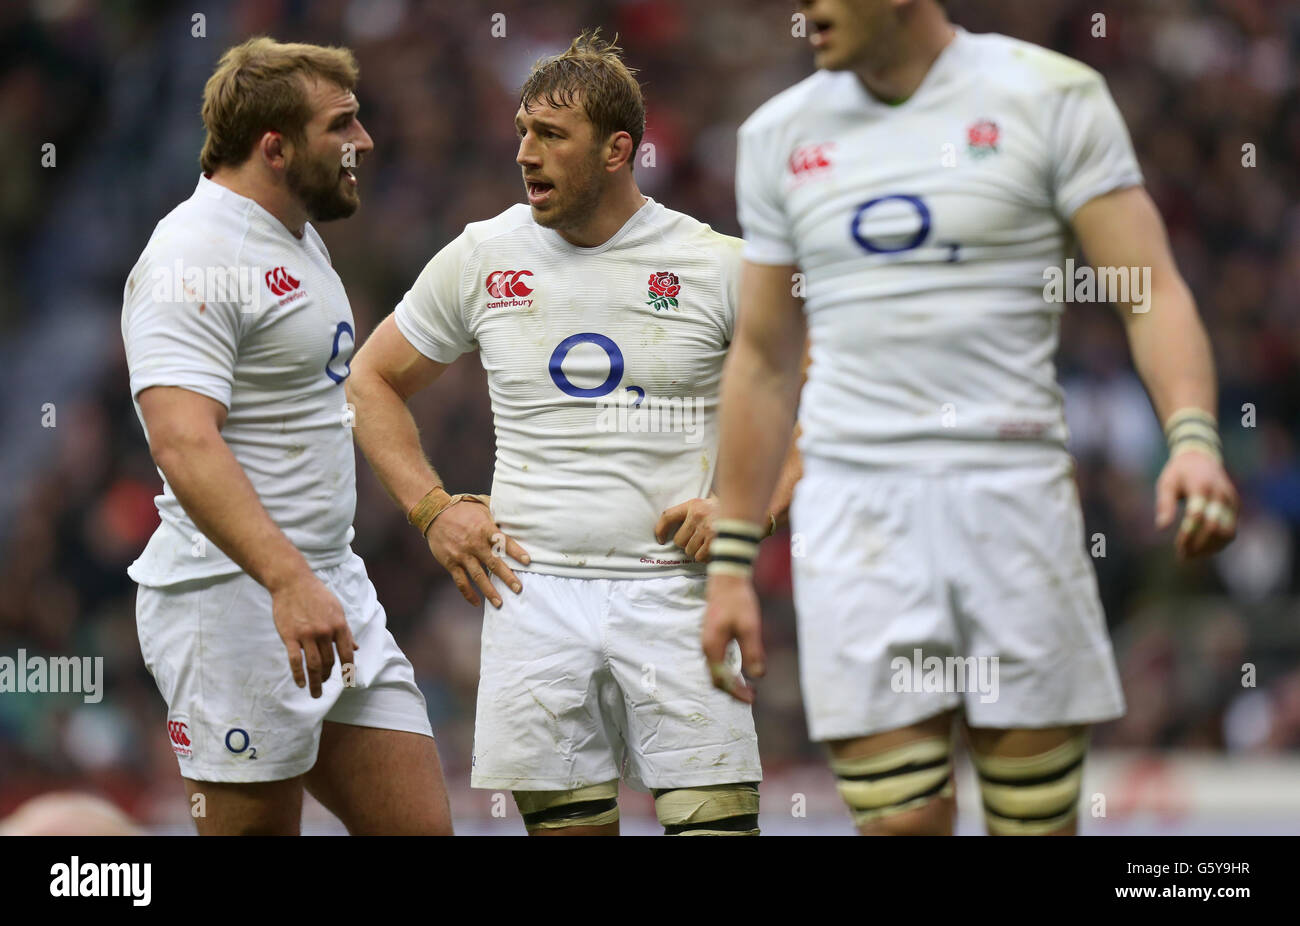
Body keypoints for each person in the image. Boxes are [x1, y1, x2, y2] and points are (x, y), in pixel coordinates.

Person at [702, 0, 1238, 836]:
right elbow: (764, 362)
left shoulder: (1051, 95)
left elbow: (1151, 291)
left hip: (1014, 494)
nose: (804, 8)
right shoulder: (777, 134)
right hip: (857, 510)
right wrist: (732, 562)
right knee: (900, 826)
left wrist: (1193, 439)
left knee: (1035, 828)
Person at [347, 31, 793, 836]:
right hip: (532, 591)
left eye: (551, 135)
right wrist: (433, 508)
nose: (525, 153)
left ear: (619, 148)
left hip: (675, 590)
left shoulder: (714, 263)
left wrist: (744, 508)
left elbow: (811, 397)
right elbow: (370, 380)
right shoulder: (485, 255)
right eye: (522, 131)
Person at [121, 37, 452, 835]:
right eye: (342, 125)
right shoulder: (194, 255)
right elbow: (183, 444)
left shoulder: (292, 232)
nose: (363, 143)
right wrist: (285, 580)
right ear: (275, 147)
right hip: (234, 600)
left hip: (330, 585)